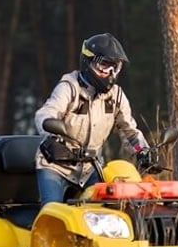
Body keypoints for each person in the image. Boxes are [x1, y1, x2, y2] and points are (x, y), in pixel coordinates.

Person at [34, 32, 151, 206]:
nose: (110, 73)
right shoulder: (69, 87)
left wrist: (144, 151)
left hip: (90, 169)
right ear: (88, 62)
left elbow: (130, 133)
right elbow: (45, 114)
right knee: (52, 212)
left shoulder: (116, 95)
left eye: (115, 67)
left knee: (109, 211)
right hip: (56, 166)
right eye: (104, 65)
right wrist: (53, 141)